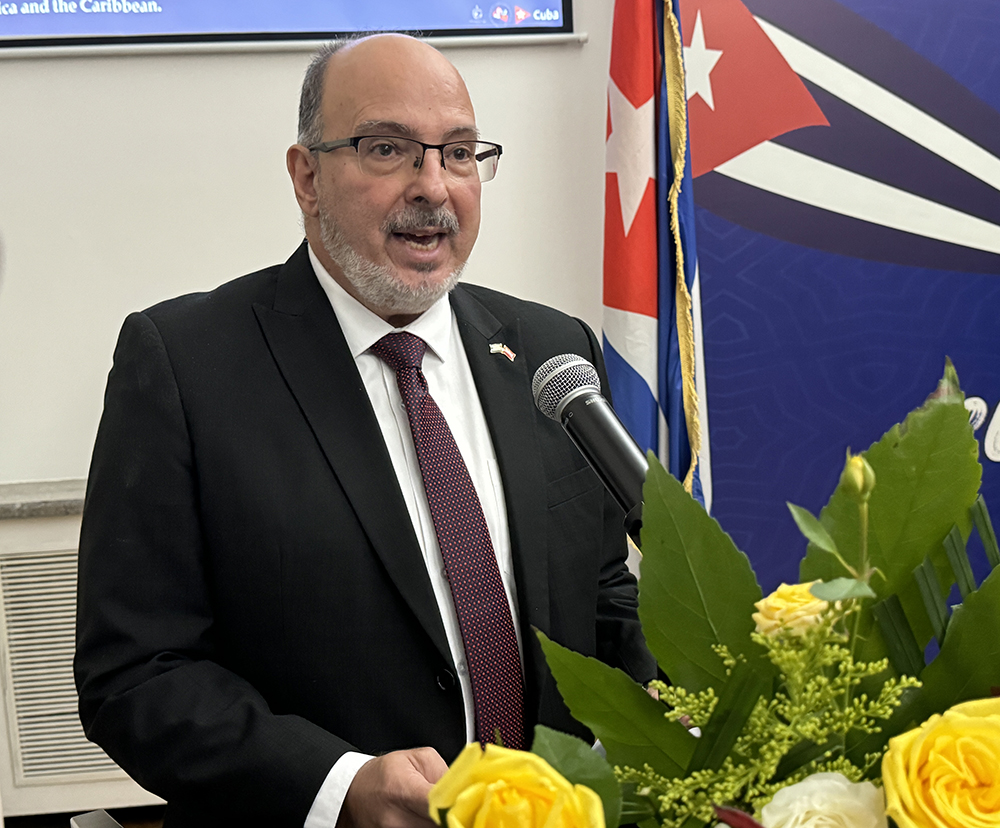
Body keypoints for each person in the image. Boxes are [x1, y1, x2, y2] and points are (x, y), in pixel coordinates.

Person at [74, 34, 656, 828]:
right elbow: (136, 675)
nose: (433, 188)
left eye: (458, 153)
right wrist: (339, 787)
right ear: (306, 176)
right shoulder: (184, 366)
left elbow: (598, 596)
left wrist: (682, 701)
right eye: (389, 150)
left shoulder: (551, 353)